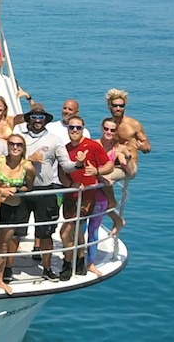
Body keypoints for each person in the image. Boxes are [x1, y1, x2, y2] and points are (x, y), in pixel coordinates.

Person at [16, 103, 80, 280]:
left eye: (41, 117)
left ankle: (46, 268)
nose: (37, 120)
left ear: (45, 120)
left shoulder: (54, 140)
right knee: (14, 233)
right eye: (34, 117)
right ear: (29, 119)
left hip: (45, 191)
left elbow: (66, 164)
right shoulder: (19, 138)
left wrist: (78, 164)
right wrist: (28, 159)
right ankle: (6, 269)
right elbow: (9, 160)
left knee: (46, 234)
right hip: (21, 191)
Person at [59, 116, 112, 280]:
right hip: (70, 195)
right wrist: (70, 184)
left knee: (65, 232)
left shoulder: (92, 146)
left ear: (83, 128)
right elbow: (62, 173)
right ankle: (80, 261)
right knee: (76, 231)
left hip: (86, 196)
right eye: (71, 127)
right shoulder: (65, 148)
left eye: (78, 128)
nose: (74, 130)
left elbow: (108, 165)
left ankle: (67, 265)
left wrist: (97, 172)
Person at [0, 133, 36, 293]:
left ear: (23, 148)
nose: (15, 147)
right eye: (12, 144)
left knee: (4, 244)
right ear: (8, 146)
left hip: (13, 208)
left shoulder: (28, 167)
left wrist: (17, 189)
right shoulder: (0, 160)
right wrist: (1, 190)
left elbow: (28, 187)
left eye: (19, 145)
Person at [96, 117, 135, 235]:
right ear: (102, 129)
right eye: (106, 129)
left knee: (105, 204)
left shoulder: (117, 148)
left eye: (112, 130)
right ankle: (118, 219)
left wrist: (127, 155)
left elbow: (127, 167)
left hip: (103, 180)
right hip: (96, 179)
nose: (109, 132)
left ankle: (116, 214)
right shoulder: (95, 144)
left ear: (116, 132)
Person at [105, 88, 152, 168]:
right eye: (115, 106)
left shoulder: (133, 124)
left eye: (121, 106)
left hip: (129, 165)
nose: (118, 108)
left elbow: (148, 148)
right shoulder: (107, 124)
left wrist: (142, 148)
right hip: (112, 164)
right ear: (109, 106)